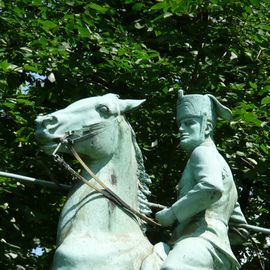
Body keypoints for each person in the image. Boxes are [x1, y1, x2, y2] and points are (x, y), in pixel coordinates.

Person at [155, 90, 248, 270]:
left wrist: (172, 214)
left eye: (189, 123)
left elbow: (211, 187)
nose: (181, 128)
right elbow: (240, 229)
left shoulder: (202, 152)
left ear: (206, 127)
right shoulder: (222, 164)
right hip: (215, 247)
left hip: (201, 239)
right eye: (180, 124)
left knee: (172, 268)